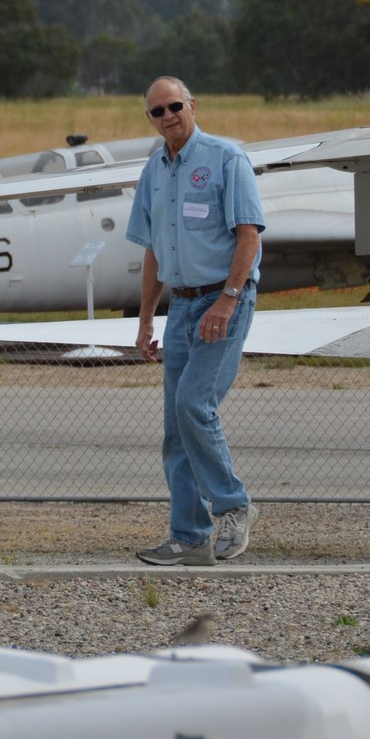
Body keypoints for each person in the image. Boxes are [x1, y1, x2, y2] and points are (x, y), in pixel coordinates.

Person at [127, 76, 264, 566]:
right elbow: (151, 249)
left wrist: (227, 301)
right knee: (175, 428)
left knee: (193, 404)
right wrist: (146, 318)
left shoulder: (226, 159)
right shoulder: (153, 169)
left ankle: (234, 506)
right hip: (181, 306)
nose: (168, 117)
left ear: (192, 105)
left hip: (223, 301)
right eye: (157, 112)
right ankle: (188, 536)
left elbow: (248, 236)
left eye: (174, 107)